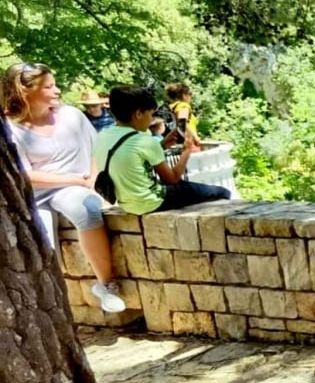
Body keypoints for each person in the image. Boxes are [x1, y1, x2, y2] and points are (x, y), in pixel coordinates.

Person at [3, 63, 126, 312]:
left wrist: (92, 181)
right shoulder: (10, 128)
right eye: (49, 87)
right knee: (42, 235)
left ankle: (106, 285)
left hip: (73, 188)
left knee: (86, 208)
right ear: (25, 91)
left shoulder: (72, 116)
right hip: (35, 193)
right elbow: (24, 175)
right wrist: (75, 180)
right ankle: (54, 301)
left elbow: (96, 148)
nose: (57, 90)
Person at [94, 86, 230, 214]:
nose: (151, 120)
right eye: (150, 114)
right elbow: (172, 179)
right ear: (139, 114)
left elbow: (132, 156)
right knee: (222, 192)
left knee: (189, 187)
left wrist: (162, 144)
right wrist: (186, 151)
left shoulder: (102, 136)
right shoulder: (143, 140)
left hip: (127, 204)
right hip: (151, 202)